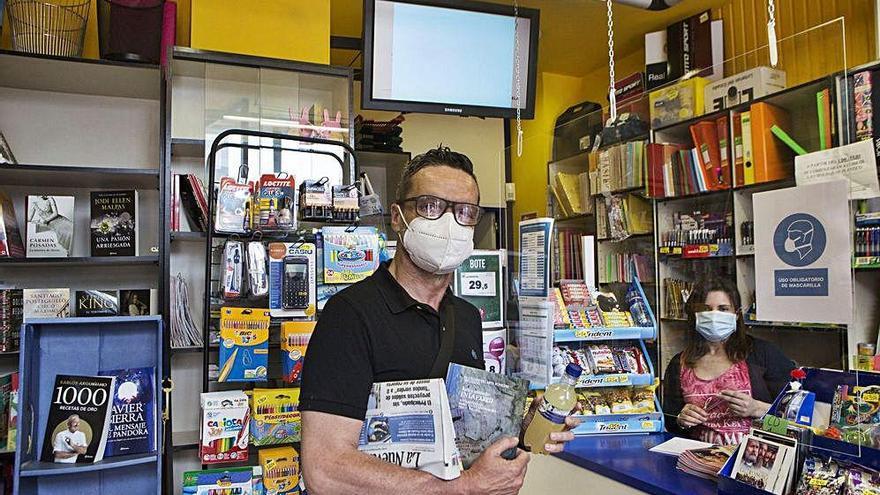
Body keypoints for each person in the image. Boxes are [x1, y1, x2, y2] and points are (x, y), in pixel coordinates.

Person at [300, 147, 579, 495]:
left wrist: (521, 427)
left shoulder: (465, 318)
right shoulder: (350, 316)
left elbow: (460, 437)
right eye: (430, 206)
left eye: (464, 212)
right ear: (398, 217)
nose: (449, 223)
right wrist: (463, 488)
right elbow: (324, 470)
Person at [663, 277, 795, 445]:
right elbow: (671, 423)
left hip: (754, 464)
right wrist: (681, 420)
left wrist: (758, 409)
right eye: (706, 309)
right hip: (699, 460)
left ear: (737, 314)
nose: (714, 316)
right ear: (695, 315)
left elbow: (794, 425)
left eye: (723, 309)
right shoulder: (679, 364)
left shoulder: (763, 354)